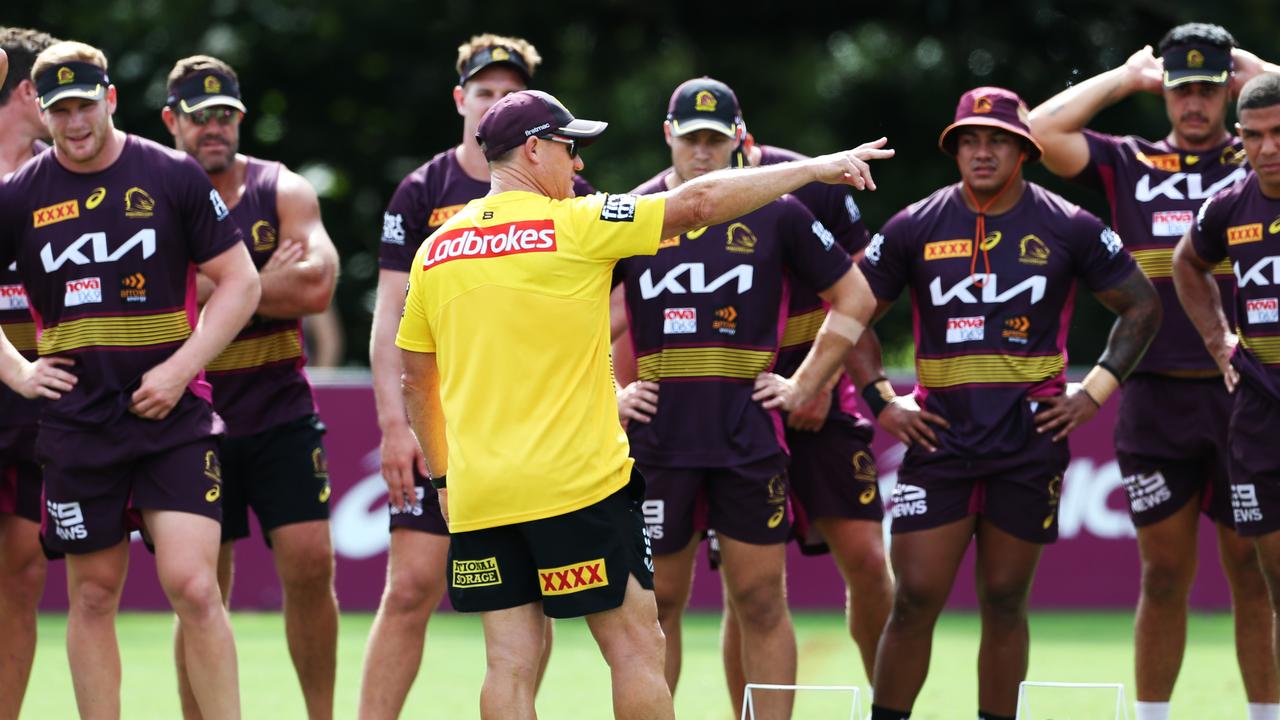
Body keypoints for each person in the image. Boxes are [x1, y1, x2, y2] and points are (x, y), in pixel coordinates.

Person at [395, 88, 890, 720]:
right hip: (576, 486)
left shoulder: (436, 250)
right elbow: (702, 201)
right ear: (535, 148)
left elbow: (416, 380)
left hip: (480, 492)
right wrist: (817, 168)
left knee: (509, 664)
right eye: (570, 149)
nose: (578, 166)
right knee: (636, 648)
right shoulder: (578, 224)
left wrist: (441, 476)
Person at [851, 87, 1160, 720]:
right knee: (913, 599)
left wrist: (1095, 390)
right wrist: (882, 399)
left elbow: (1143, 305)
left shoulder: (1069, 225)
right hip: (938, 439)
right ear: (955, 149)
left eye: (997, 140)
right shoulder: (914, 224)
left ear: (1025, 149)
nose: (982, 152)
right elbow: (851, 312)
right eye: (969, 140)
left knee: (1004, 600)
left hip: (1029, 441)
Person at [611, 76, 890, 718]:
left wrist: (808, 382)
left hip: (749, 436)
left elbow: (857, 296)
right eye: (690, 141)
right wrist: (610, 391)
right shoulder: (631, 214)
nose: (701, 154)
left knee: (762, 601)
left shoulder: (782, 210)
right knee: (658, 606)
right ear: (668, 139)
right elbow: (579, 313)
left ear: (739, 138)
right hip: (660, 440)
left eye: (714, 140)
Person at [0, 41, 260, 719]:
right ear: (43, 111)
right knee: (91, 596)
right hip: (77, 424)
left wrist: (179, 371)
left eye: (85, 104)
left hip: (171, 417)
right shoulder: (19, 195)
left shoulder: (171, 175)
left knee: (194, 587)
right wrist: (21, 371)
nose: (74, 122)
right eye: (60, 110)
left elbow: (241, 283)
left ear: (110, 99)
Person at [1028, 24, 1280, 719]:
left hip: (1249, 398)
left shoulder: (1259, 152)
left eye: (1208, 88)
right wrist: (1122, 78)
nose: (1195, 103)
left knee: (1255, 577)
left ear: (1228, 92)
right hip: (1154, 397)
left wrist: (1261, 73)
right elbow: (1033, 131)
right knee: (1163, 576)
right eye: (1181, 90)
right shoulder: (1127, 160)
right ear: (1164, 94)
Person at [360, 33, 593, 718]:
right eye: (485, 91)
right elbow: (391, 317)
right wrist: (394, 425)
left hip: (531, 431)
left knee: (534, 591)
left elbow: (606, 299)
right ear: (462, 99)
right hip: (440, 423)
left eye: (509, 93)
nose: (495, 101)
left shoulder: (560, 181)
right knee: (410, 587)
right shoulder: (422, 190)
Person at [161, 55, 341, 720]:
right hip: (193, 414)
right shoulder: (152, 193)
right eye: (200, 116)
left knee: (310, 564)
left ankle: (320, 714)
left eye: (225, 116)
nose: (214, 128)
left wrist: (225, 285)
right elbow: (158, 306)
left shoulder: (282, 189)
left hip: (278, 405)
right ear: (171, 120)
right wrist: (262, 279)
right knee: (201, 587)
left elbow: (318, 286)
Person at [1174, 73, 1280, 712]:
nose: (1270, 148)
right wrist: (1220, 343)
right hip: (1261, 404)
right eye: (1256, 136)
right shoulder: (1227, 205)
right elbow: (1188, 263)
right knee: (1274, 578)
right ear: (1239, 140)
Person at [0, 25, 57, 720]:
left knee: (22, 572)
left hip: (39, 408)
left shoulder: (67, 176)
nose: (68, 110)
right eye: (52, 91)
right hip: (17, 379)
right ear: (23, 90)